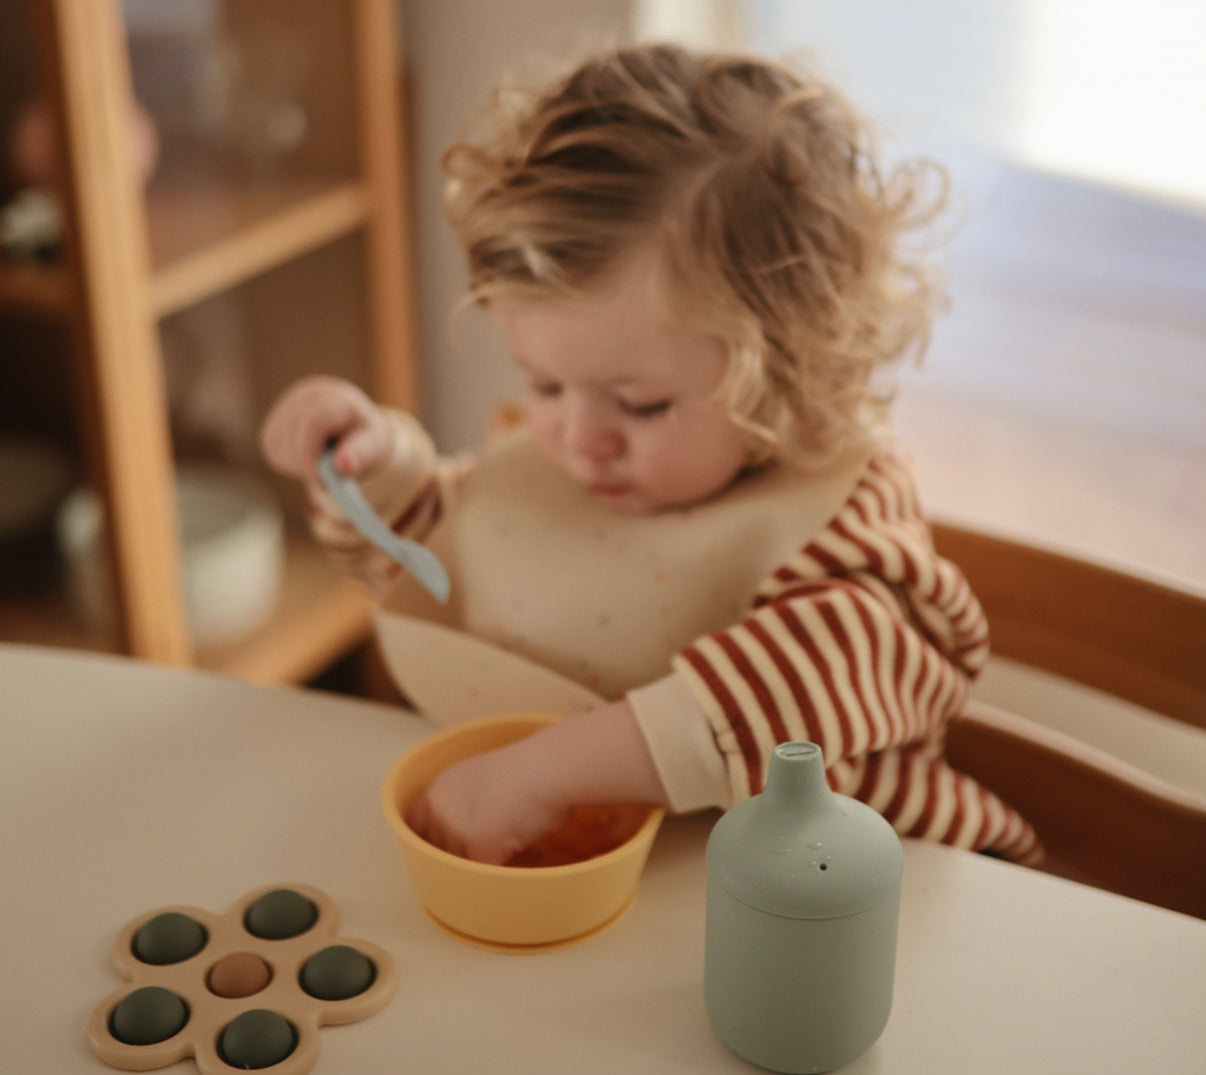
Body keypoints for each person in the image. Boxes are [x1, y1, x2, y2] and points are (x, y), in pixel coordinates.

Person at [260, 43, 1041, 868]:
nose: (575, 435)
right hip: (646, 891)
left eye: (639, 405)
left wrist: (552, 772)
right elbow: (435, 565)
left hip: (862, 896)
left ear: (789, 369)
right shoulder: (567, 463)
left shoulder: (840, 514)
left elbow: (842, 661)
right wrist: (372, 466)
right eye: (545, 384)